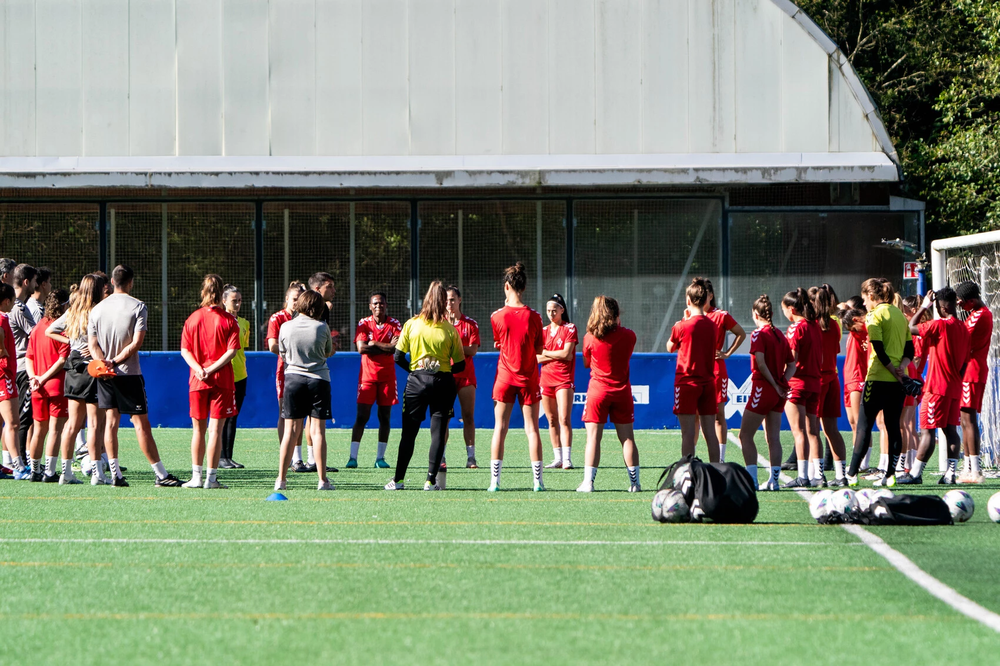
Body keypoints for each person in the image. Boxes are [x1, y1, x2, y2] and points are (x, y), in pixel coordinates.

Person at [88, 265, 183, 488]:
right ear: (130, 282)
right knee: (141, 424)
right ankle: (161, 474)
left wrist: (103, 364)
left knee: (111, 423)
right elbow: (136, 342)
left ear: (112, 282)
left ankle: (116, 475)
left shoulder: (97, 309)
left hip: (105, 374)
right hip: (128, 374)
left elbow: (93, 344)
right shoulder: (138, 306)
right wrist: (115, 362)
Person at [385, 281, 465, 491]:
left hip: (416, 383)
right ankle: (430, 481)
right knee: (438, 433)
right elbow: (461, 364)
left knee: (408, 433)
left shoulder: (412, 324)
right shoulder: (450, 330)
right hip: (442, 383)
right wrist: (443, 371)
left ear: (425, 299)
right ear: (443, 302)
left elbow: (398, 357)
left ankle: (398, 480)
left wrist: (415, 371)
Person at [898, 288, 970, 485]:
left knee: (928, 431)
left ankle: (915, 474)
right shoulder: (964, 329)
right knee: (951, 431)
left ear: (943, 307)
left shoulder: (939, 325)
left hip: (936, 388)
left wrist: (924, 306)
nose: (936, 310)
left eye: (937, 306)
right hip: (955, 388)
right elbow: (965, 364)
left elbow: (911, 327)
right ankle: (950, 474)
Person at [846, 278, 913, 488]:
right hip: (897, 382)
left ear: (872, 296)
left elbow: (878, 348)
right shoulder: (900, 315)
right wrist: (901, 369)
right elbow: (910, 350)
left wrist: (892, 369)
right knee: (894, 427)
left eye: (865, 299)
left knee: (864, 427)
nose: (864, 304)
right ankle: (890, 475)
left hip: (877, 379)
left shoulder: (874, 315)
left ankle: (851, 474)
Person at [180, 275, 241, 490]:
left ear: (203, 292)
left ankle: (196, 477)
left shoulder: (193, 318)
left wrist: (199, 369)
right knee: (215, 430)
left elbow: (185, 350)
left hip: (198, 381)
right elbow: (232, 351)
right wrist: (211, 369)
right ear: (221, 293)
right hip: (221, 380)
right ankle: (211, 479)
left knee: (198, 430)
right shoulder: (229, 320)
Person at [489, 262, 545, 492]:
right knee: (532, 429)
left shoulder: (497, 316)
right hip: (528, 378)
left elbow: (499, 342)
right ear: (523, 287)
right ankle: (538, 482)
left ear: (507, 287)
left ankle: (494, 482)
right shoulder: (535, 317)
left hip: (504, 378)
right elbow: (539, 349)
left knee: (500, 428)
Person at [48, 274, 109, 485]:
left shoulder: (73, 311)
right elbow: (103, 340)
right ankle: (97, 474)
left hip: (73, 367)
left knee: (72, 424)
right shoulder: (99, 311)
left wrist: (72, 343)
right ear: (98, 290)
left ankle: (65, 473)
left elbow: (50, 330)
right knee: (94, 424)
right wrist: (92, 349)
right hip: (92, 367)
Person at [576, 295, 639, 493]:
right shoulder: (629, 335)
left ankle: (588, 483)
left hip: (598, 391)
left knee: (593, 438)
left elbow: (586, 363)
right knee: (627, 438)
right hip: (622, 392)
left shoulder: (589, 337)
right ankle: (635, 484)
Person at [274, 290, 335, 491]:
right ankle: (322, 481)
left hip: (293, 379)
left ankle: (281, 480)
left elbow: (282, 353)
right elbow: (327, 351)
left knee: (290, 431)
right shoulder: (322, 327)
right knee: (318, 431)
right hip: (319, 380)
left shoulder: (285, 326)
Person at [737, 295, 794, 491]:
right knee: (773, 437)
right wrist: (782, 382)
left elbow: (760, 363)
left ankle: (752, 480)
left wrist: (775, 384)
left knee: (745, 435)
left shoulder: (758, 334)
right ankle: (774, 481)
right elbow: (792, 364)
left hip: (764, 388)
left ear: (755, 314)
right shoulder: (780, 335)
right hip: (777, 392)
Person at [667, 278, 720, 462]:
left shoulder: (681, 326)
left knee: (688, 434)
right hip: (708, 383)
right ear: (706, 300)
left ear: (688, 301)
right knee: (710, 433)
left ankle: (687, 471)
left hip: (687, 383)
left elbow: (670, 347)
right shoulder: (713, 325)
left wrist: (684, 320)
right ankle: (715, 469)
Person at [349, 292, 401, 469]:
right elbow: (362, 348)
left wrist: (374, 343)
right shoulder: (363, 323)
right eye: (375, 304)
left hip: (387, 377)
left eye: (381, 303)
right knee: (362, 416)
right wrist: (386, 346)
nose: (379, 306)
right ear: (370, 306)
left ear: (386, 305)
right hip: (367, 377)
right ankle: (353, 458)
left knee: (384, 417)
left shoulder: (394, 324)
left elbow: (396, 349)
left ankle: (380, 458)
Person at [25, 289, 70, 483]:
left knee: (38, 430)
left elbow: (29, 357)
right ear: (64, 305)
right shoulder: (62, 328)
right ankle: (50, 472)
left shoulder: (38, 327)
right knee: (55, 430)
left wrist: (34, 378)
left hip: (37, 387)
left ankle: (35, 471)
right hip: (55, 385)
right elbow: (62, 360)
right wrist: (42, 378)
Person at [780, 288, 824, 488]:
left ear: (791, 309)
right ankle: (818, 475)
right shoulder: (815, 326)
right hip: (814, 383)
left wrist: (781, 381)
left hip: (797, 384)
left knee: (799, 432)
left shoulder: (796, 328)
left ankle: (803, 476)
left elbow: (792, 360)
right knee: (813, 431)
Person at [702, 280, 746, 462]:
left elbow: (741, 333)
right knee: (697, 416)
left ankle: (720, 459)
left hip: (716, 371)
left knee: (718, 415)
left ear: (711, 296)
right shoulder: (689, 315)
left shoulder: (721, 315)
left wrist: (727, 353)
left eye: (704, 294)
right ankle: (692, 458)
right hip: (696, 370)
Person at [267, 282, 309, 471]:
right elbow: (272, 346)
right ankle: (287, 454)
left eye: (299, 300)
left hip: (303, 369)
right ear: (286, 299)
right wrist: (292, 351)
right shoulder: (277, 318)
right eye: (294, 299)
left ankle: (298, 458)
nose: (296, 303)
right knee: (284, 413)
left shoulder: (305, 318)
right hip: (285, 369)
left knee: (300, 415)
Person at [810, 284, 848, 487]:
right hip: (833, 378)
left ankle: (818, 475)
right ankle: (841, 475)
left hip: (817, 379)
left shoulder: (812, 325)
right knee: (832, 430)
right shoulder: (834, 324)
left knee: (812, 431)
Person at [955, 280, 992, 484]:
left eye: (961, 302)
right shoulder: (975, 313)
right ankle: (969, 467)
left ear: (971, 300)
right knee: (964, 419)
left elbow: (960, 338)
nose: (959, 305)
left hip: (972, 371)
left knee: (969, 420)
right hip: (969, 371)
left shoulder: (980, 315)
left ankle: (975, 470)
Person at [538, 293, 577, 470]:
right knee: (551, 419)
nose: (551, 314)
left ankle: (567, 459)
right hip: (546, 379)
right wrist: (554, 355)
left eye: (554, 310)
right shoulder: (543, 331)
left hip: (563, 379)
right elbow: (536, 357)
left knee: (564, 418)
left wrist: (546, 353)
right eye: (548, 311)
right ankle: (557, 458)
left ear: (562, 310)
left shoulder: (569, 328)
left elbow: (567, 354)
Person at [445, 286, 480, 468]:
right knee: (443, 418)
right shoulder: (439, 324)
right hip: (445, 376)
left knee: (468, 416)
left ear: (459, 300)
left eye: (452, 299)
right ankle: (441, 457)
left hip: (466, 377)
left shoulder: (470, 324)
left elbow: (472, 350)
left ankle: (471, 458)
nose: (449, 303)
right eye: (446, 300)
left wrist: (452, 347)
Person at [307, 271, 339, 473]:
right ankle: (303, 461)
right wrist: (328, 349)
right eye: (330, 286)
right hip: (311, 371)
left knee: (307, 419)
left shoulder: (323, 308)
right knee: (309, 421)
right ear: (318, 289)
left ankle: (310, 460)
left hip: (301, 370)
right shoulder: (313, 308)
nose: (334, 291)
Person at [9, 263, 38, 465]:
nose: (36, 285)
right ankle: (21, 462)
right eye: (35, 281)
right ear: (26, 282)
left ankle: (12, 461)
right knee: (23, 418)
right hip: (21, 367)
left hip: (15, 366)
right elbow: (36, 335)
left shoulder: (13, 305)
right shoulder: (19, 308)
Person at [220, 284, 249, 469]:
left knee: (234, 416)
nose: (237, 304)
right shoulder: (220, 321)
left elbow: (242, 349)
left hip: (241, 375)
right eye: (233, 300)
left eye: (239, 300)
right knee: (224, 416)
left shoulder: (244, 323)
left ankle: (228, 456)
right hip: (225, 374)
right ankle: (221, 456)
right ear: (224, 301)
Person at [0, 283, 25, 479]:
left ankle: (5, 464)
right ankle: (18, 466)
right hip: (4, 375)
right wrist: (2, 349)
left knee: (3, 422)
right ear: (7, 301)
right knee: (13, 422)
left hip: (4, 374)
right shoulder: (2, 318)